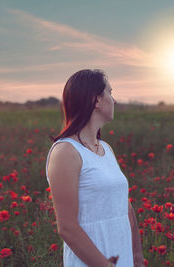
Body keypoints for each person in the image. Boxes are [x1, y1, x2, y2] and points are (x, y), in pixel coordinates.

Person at [46, 69, 144, 267]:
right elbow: (67, 228)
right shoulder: (66, 151)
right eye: (110, 92)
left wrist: (137, 257)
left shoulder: (106, 149)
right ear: (96, 101)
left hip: (122, 259)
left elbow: (126, 208)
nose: (114, 100)